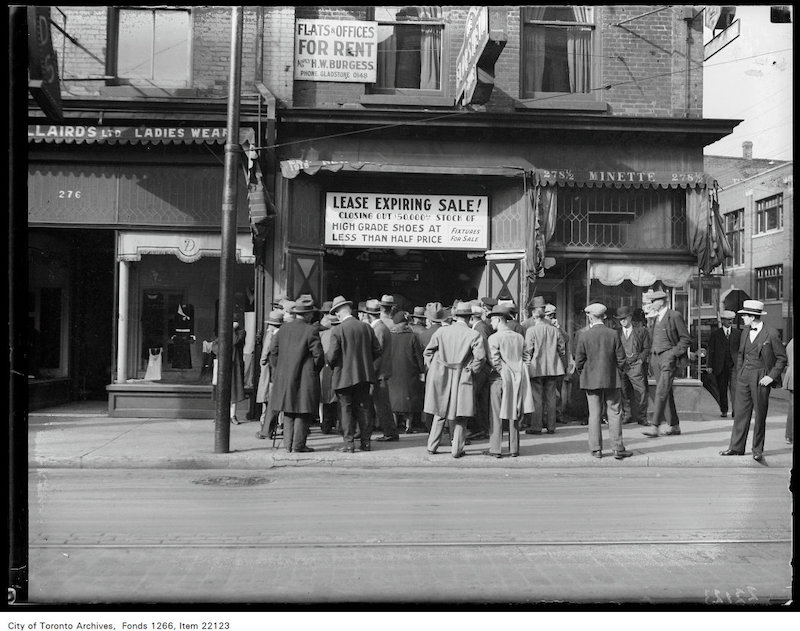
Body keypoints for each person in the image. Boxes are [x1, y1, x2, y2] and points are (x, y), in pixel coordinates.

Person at [720, 300, 787, 462]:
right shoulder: (745, 331)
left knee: (760, 414)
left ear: (752, 316)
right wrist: (740, 371)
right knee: (740, 413)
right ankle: (736, 447)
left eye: (744, 316)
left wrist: (770, 376)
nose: (742, 319)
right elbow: (741, 354)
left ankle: (757, 450)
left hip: (761, 377)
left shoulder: (771, 333)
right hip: (744, 376)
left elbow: (781, 358)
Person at [423, 301, 486, 458]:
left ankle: (432, 446)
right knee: (460, 414)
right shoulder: (474, 335)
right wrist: (471, 370)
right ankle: (457, 449)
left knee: (439, 410)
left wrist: (435, 368)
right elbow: (481, 358)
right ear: (469, 317)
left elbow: (428, 352)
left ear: (455, 316)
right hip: (462, 375)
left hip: (442, 374)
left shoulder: (441, 332)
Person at [574, 303, 632, 460]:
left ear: (590, 316)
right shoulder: (613, 334)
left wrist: (585, 373)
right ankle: (617, 448)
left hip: (591, 380)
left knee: (594, 415)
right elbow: (621, 359)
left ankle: (596, 449)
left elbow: (579, 361)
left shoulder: (584, 335)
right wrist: (617, 372)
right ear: (604, 317)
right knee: (614, 413)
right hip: (611, 379)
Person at [267, 296, 324, 453]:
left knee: (289, 410)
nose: (312, 316)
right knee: (303, 411)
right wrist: (313, 370)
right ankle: (298, 445)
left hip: (284, 375)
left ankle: (288, 445)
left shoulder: (284, 328)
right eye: (311, 313)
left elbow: (273, 351)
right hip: (305, 376)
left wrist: (279, 369)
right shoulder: (310, 330)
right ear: (307, 314)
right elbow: (318, 355)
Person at [326, 296, 382, 453]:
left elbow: (331, 356)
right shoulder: (366, 328)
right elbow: (378, 351)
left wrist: (332, 364)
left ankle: (349, 444)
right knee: (364, 409)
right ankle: (366, 443)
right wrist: (367, 364)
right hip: (364, 376)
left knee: (346, 410)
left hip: (343, 377)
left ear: (338, 314)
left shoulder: (338, 330)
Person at [641, 289, 690, 438]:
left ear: (661, 302)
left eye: (653, 302)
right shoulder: (655, 318)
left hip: (668, 358)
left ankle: (655, 426)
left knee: (661, 391)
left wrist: (673, 353)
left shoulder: (674, 316)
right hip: (656, 359)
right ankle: (674, 426)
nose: (651, 304)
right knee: (666, 392)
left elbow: (686, 339)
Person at [486, 304, 534, 458]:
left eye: (492, 320)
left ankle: (496, 449)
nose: (491, 324)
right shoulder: (519, 337)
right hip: (518, 378)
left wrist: (503, 370)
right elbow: (527, 356)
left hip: (499, 379)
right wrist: (521, 369)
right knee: (515, 412)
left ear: (499, 320)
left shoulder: (494, 338)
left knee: (496, 414)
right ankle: (514, 448)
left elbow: (494, 360)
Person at [524, 306, 565, 434]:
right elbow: (562, 348)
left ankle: (536, 426)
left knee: (537, 397)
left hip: (537, 368)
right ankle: (551, 426)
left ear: (534, 317)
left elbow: (528, 350)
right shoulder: (554, 330)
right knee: (551, 397)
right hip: (553, 367)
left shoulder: (531, 331)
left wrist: (527, 363)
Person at [364, 298, 397, 442]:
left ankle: (389, 432)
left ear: (368, 314)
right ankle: (388, 431)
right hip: (382, 372)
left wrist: (369, 372)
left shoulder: (378, 329)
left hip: (379, 373)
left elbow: (376, 354)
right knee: (380, 404)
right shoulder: (381, 327)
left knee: (381, 405)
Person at [388, 311, 425, 433]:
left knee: (393, 399)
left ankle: (393, 425)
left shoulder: (389, 336)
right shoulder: (413, 337)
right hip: (410, 372)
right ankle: (408, 426)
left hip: (392, 372)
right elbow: (419, 357)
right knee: (409, 400)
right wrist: (421, 370)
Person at [614, 305, 651, 425]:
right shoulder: (616, 332)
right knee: (623, 391)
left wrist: (640, 360)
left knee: (640, 391)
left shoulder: (641, 331)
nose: (622, 321)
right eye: (620, 319)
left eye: (624, 318)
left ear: (630, 317)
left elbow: (646, 348)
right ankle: (627, 415)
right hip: (621, 365)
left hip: (636, 365)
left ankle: (642, 417)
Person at [705, 310, 741, 418]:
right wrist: (709, 365)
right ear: (723, 321)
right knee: (722, 388)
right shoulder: (716, 334)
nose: (730, 321)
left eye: (732, 320)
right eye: (728, 320)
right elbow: (711, 350)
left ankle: (736, 410)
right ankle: (724, 410)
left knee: (735, 388)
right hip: (720, 366)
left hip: (734, 365)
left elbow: (741, 350)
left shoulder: (738, 334)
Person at [211, 315, 247, 424]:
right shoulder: (223, 332)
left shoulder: (241, 333)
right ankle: (220, 415)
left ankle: (232, 415)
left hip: (234, 366)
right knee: (221, 390)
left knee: (233, 392)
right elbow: (214, 346)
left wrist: (231, 330)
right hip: (223, 365)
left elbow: (235, 341)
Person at [254, 309, 283, 440]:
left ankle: (265, 427)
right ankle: (275, 426)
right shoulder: (283, 334)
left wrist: (262, 363)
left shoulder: (271, 335)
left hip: (272, 372)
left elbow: (265, 354)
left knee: (269, 400)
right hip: (279, 373)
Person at [468, 301, 492, 440]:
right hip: (485, 367)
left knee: (475, 398)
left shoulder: (479, 329)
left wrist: (474, 368)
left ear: (472, 318)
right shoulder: (483, 326)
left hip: (481, 368)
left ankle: (479, 428)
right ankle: (483, 428)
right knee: (481, 399)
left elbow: (481, 352)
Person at [544, 303, 570, 425]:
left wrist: (559, 328)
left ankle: (558, 413)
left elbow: (566, 339)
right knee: (547, 392)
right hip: (544, 364)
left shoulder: (556, 328)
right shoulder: (540, 326)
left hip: (557, 364)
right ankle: (546, 416)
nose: (552, 318)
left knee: (558, 391)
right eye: (549, 315)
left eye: (553, 315)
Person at [784, 337, 793, 445]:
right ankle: (790, 435)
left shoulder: (791, 342)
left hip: (791, 377)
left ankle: (789, 435)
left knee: (792, 408)